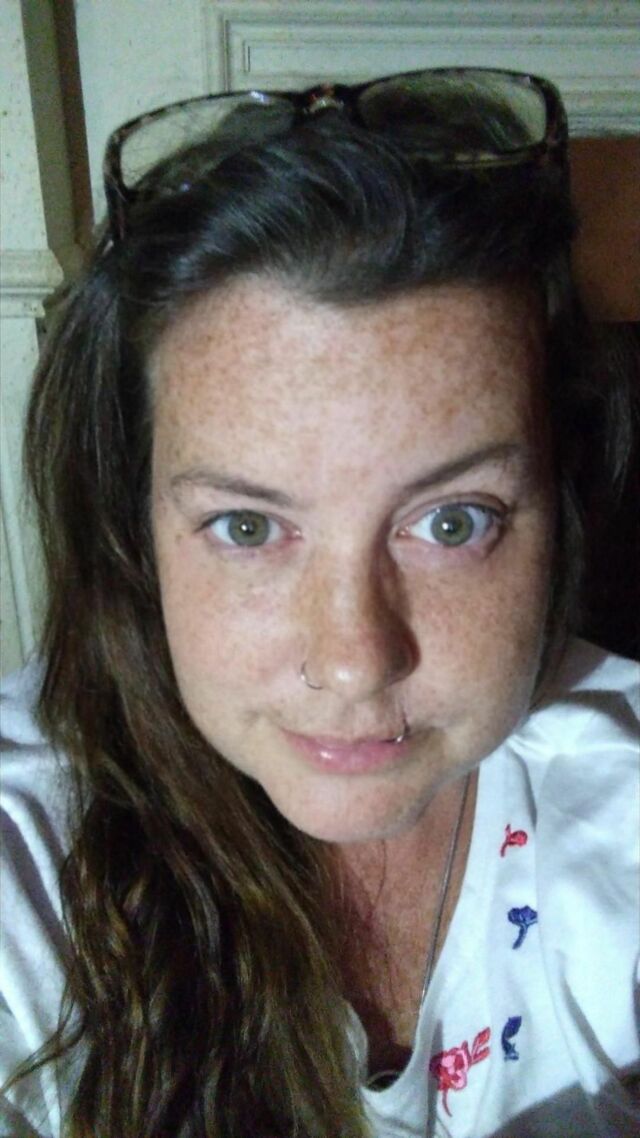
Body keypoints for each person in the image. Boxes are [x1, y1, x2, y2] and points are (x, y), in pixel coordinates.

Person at [0, 67, 638, 1138]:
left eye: (451, 522)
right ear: (135, 527)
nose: (354, 659)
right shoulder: (28, 865)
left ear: (560, 506)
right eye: (247, 528)